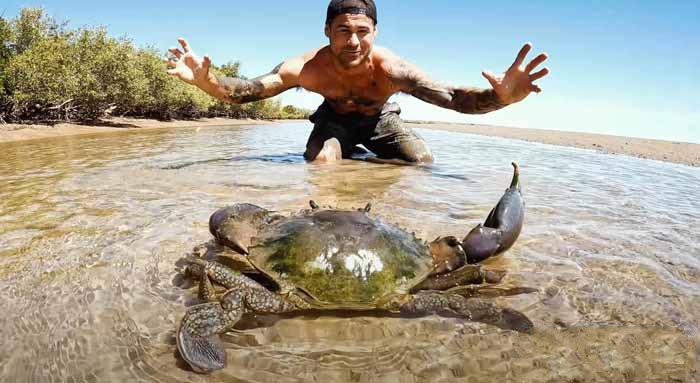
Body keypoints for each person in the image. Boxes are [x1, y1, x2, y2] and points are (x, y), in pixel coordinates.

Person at [166, 0, 549, 164]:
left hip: (382, 120)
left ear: (375, 32)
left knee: (422, 161)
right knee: (321, 164)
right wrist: (207, 81)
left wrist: (502, 99)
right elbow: (248, 91)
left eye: (362, 31)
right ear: (327, 31)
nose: (352, 41)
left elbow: (452, 98)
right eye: (343, 31)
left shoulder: (392, 68)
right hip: (333, 121)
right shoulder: (306, 68)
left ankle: (367, 153)